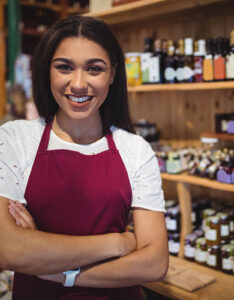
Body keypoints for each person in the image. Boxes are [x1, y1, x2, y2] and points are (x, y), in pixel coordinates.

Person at [0, 15, 168, 299]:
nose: (78, 84)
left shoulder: (136, 149)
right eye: (64, 67)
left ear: (113, 74)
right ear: (47, 71)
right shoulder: (15, 139)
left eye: (94, 69)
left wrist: (57, 270)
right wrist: (117, 243)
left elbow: (154, 263)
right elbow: (7, 249)